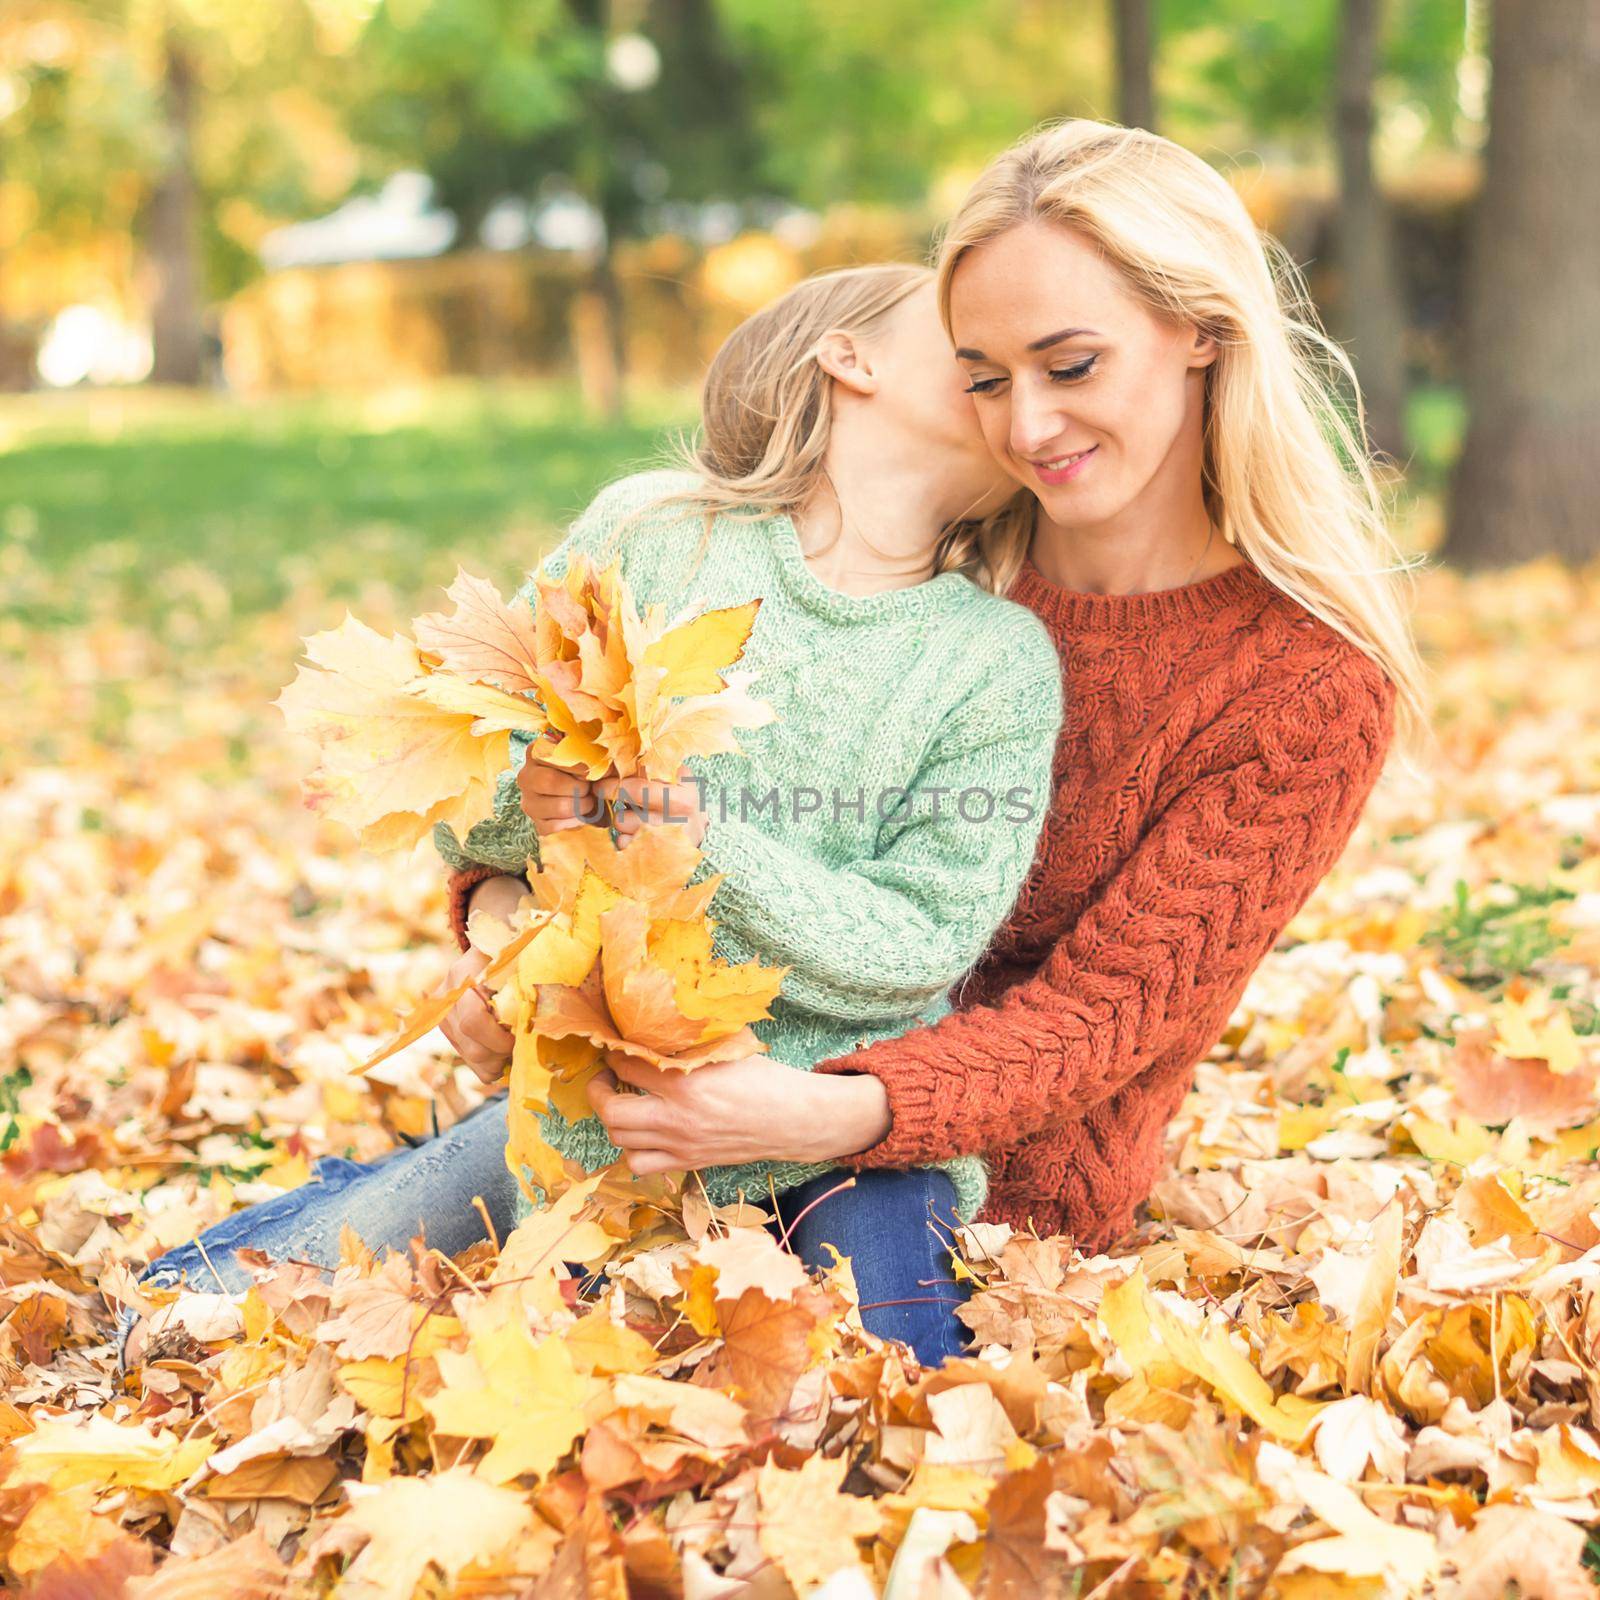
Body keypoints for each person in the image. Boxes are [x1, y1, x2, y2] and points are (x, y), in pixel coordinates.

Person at [487, 119, 1431, 1250]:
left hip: (979, 1214)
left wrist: (813, 1112)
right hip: (662, 1097)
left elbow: (1097, 1016)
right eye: (983, 378)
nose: (1027, 425)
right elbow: (632, 792)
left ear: (1198, 329)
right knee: (301, 1262)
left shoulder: (1304, 688)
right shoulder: (915, 569)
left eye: (1070, 365)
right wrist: (489, 925)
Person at [120, 262, 1065, 1371]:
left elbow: (922, 935)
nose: (997, 369)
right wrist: (528, 815)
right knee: (211, 1314)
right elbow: (473, 786)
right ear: (848, 357)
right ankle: (401, 1193)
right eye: (962, 341)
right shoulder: (659, 540)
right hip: (599, 1116)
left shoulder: (995, 661)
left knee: (895, 1379)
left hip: (834, 1129)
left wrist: (696, 842)